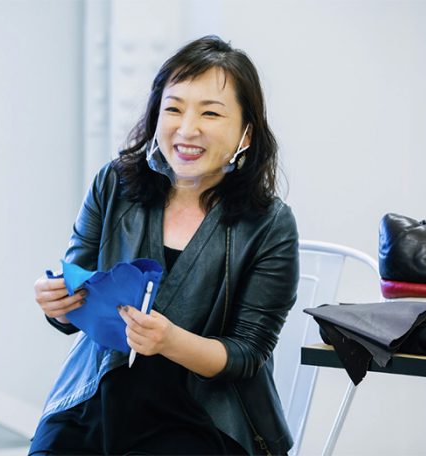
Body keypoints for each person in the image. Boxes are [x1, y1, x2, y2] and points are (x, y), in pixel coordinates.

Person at [30, 35, 299, 456]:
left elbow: (246, 354)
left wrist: (170, 341)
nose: (187, 129)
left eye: (210, 113)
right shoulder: (113, 183)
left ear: (246, 133)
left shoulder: (270, 223)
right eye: (173, 109)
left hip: (204, 416)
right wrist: (58, 304)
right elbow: (77, 296)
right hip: (97, 392)